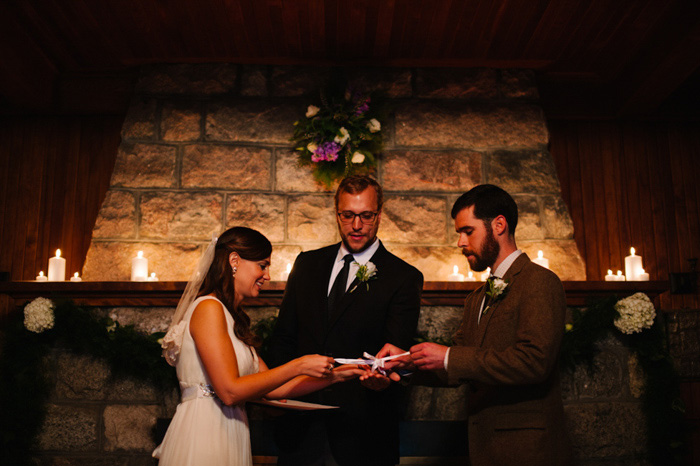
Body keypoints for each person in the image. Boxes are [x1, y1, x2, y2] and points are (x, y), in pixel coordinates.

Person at [376, 184, 572, 466]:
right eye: (459, 234)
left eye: (468, 231)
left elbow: (534, 361)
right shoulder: (476, 298)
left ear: (499, 225)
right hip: (483, 449)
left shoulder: (539, 281)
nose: (460, 243)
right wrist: (406, 363)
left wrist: (449, 356)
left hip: (528, 451)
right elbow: (457, 367)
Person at [153, 226, 363, 466]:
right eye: (262, 265)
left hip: (232, 430)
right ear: (234, 261)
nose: (267, 275)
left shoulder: (232, 317)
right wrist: (298, 365)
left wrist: (336, 376)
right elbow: (230, 392)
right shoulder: (208, 308)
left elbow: (272, 388)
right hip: (205, 431)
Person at [270, 175, 424, 466]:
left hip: (363, 434)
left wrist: (384, 379)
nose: (356, 225)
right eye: (348, 215)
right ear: (336, 212)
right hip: (299, 428)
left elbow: (395, 352)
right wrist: (278, 399)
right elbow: (284, 337)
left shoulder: (403, 277)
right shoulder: (307, 264)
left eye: (366, 216)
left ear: (379, 214)